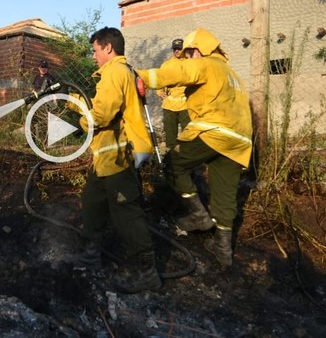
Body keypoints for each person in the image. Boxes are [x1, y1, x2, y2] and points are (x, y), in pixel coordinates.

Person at [137, 28, 253, 268]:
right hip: (240, 141)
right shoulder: (233, 75)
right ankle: (223, 250)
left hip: (214, 130)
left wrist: (140, 77)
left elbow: (178, 72)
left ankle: (199, 216)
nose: (187, 58)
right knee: (224, 192)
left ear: (198, 51)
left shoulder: (206, 64)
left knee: (172, 164)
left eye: (188, 54)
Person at [69, 26, 161, 293]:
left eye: (95, 50)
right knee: (92, 204)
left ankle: (147, 273)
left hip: (118, 158)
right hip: (105, 159)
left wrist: (80, 122)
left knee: (126, 215)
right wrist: (73, 101)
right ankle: (90, 258)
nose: (93, 56)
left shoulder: (115, 72)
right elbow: (102, 105)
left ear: (108, 47)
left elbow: (102, 114)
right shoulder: (122, 72)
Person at [157, 38, 190, 150]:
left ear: (184, 49)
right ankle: (171, 154)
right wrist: (160, 92)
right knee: (170, 136)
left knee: (188, 134)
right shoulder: (167, 65)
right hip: (169, 105)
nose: (177, 51)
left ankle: (187, 154)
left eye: (179, 49)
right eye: (175, 49)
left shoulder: (190, 64)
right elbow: (160, 79)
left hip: (186, 105)